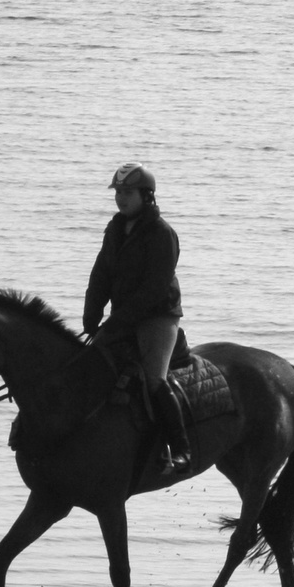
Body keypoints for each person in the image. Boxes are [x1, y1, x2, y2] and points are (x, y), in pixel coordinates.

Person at [83, 162, 191, 473]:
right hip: (123, 318)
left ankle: (181, 450)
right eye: (117, 192)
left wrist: (118, 322)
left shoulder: (162, 234)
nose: (120, 198)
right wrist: (92, 315)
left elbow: (154, 289)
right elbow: (101, 274)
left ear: (146, 195)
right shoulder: (115, 228)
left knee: (154, 380)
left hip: (158, 316)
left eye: (127, 192)